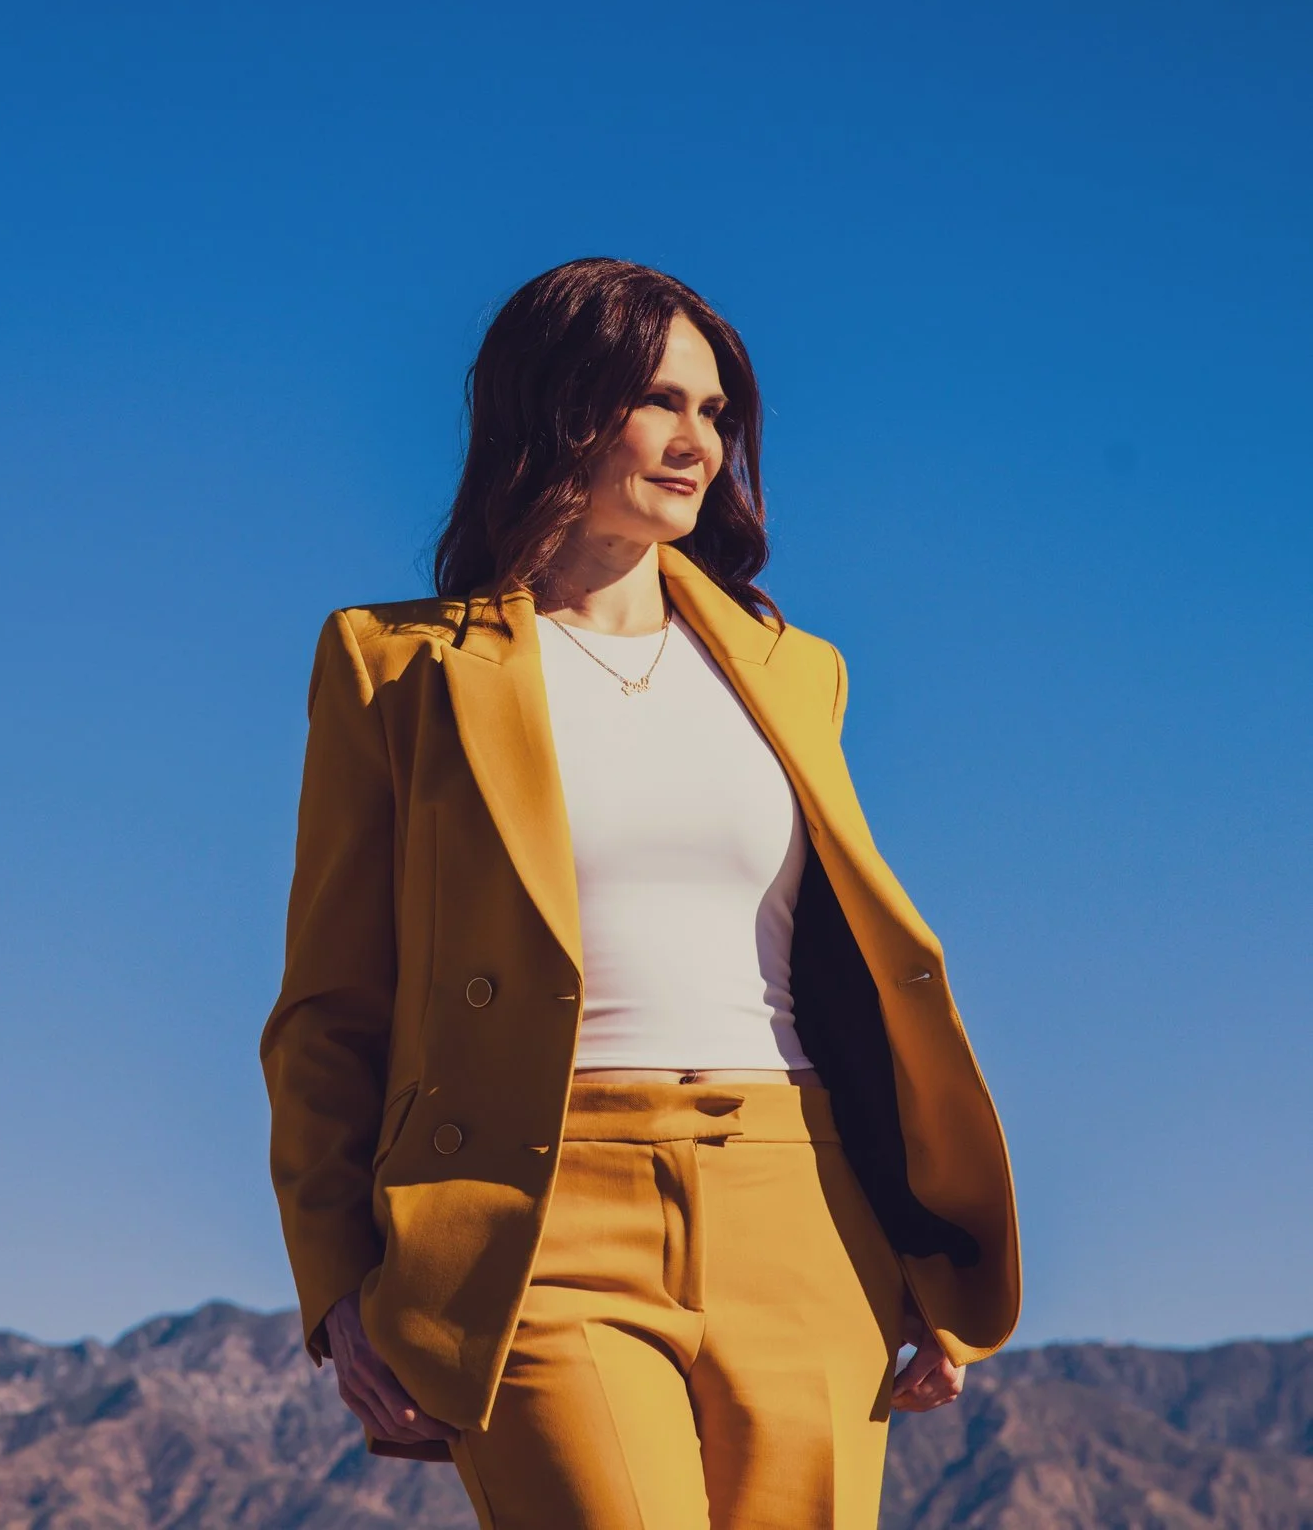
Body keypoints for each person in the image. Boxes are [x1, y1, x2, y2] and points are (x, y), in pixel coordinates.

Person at [259, 258, 1018, 1528]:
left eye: (715, 412)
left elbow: (841, 971)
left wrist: (915, 1242)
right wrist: (336, 1280)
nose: (694, 441)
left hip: (803, 1205)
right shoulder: (395, 669)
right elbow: (332, 1004)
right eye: (657, 400)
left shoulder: (795, 672)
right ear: (556, 408)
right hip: (535, 1216)